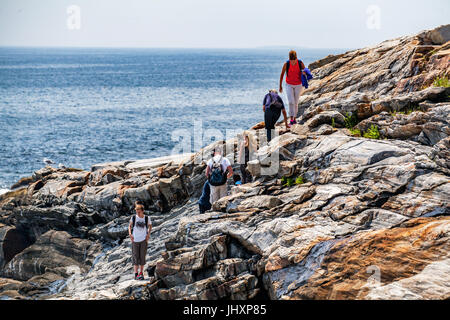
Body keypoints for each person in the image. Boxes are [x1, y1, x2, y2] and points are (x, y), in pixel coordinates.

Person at [279, 50, 306, 125]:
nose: (293, 62)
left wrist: (304, 72)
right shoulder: (286, 64)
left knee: (296, 102)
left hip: (298, 84)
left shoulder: (300, 62)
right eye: (291, 60)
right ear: (289, 59)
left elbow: (305, 71)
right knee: (291, 102)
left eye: (294, 60)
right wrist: (280, 86)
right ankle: (291, 119)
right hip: (289, 84)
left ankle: (294, 118)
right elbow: (282, 74)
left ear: (296, 58)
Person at [128, 202, 152, 280]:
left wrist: (148, 234)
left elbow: (150, 226)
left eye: (139, 211)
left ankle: (141, 273)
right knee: (135, 257)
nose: (137, 213)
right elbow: (130, 226)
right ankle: (136, 274)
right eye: (136, 212)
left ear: (142, 211)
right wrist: (130, 234)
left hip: (143, 240)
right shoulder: (134, 218)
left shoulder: (146, 218)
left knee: (142, 257)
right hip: (135, 240)